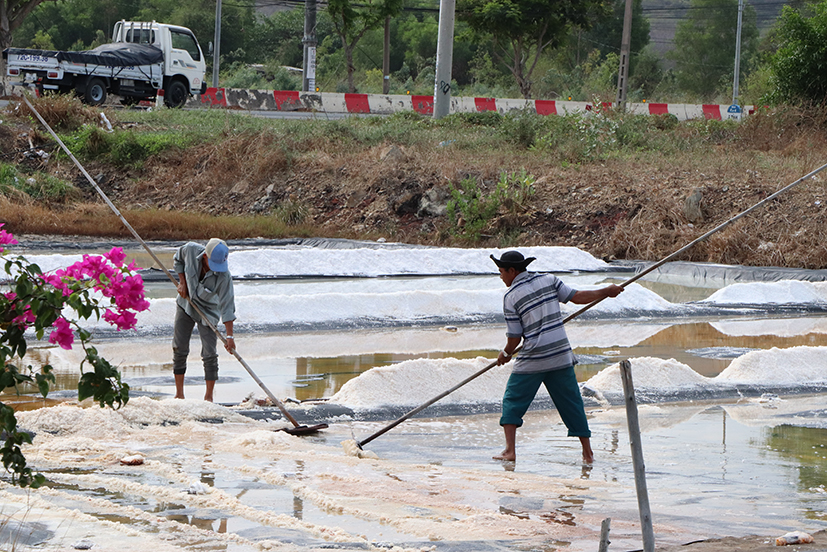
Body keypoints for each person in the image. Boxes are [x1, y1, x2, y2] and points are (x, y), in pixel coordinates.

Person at [491, 250, 624, 463]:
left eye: (501, 272)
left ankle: (509, 451)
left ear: (513, 271)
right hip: (560, 354)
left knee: (512, 401)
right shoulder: (548, 279)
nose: (500, 276)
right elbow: (577, 297)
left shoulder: (510, 297)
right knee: (572, 403)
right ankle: (588, 453)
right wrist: (606, 291)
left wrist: (505, 354)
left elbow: (515, 338)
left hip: (534, 358)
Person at [172, 238, 237, 402]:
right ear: (205, 255)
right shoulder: (191, 250)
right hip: (186, 303)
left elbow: (227, 305)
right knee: (179, 347)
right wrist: (182, 282)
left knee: (209, 353)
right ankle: (179, 394)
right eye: (211, 263)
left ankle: (208, 397)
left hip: (208, 312)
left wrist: (230, 337)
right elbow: (177, 259)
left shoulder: (224, 276)